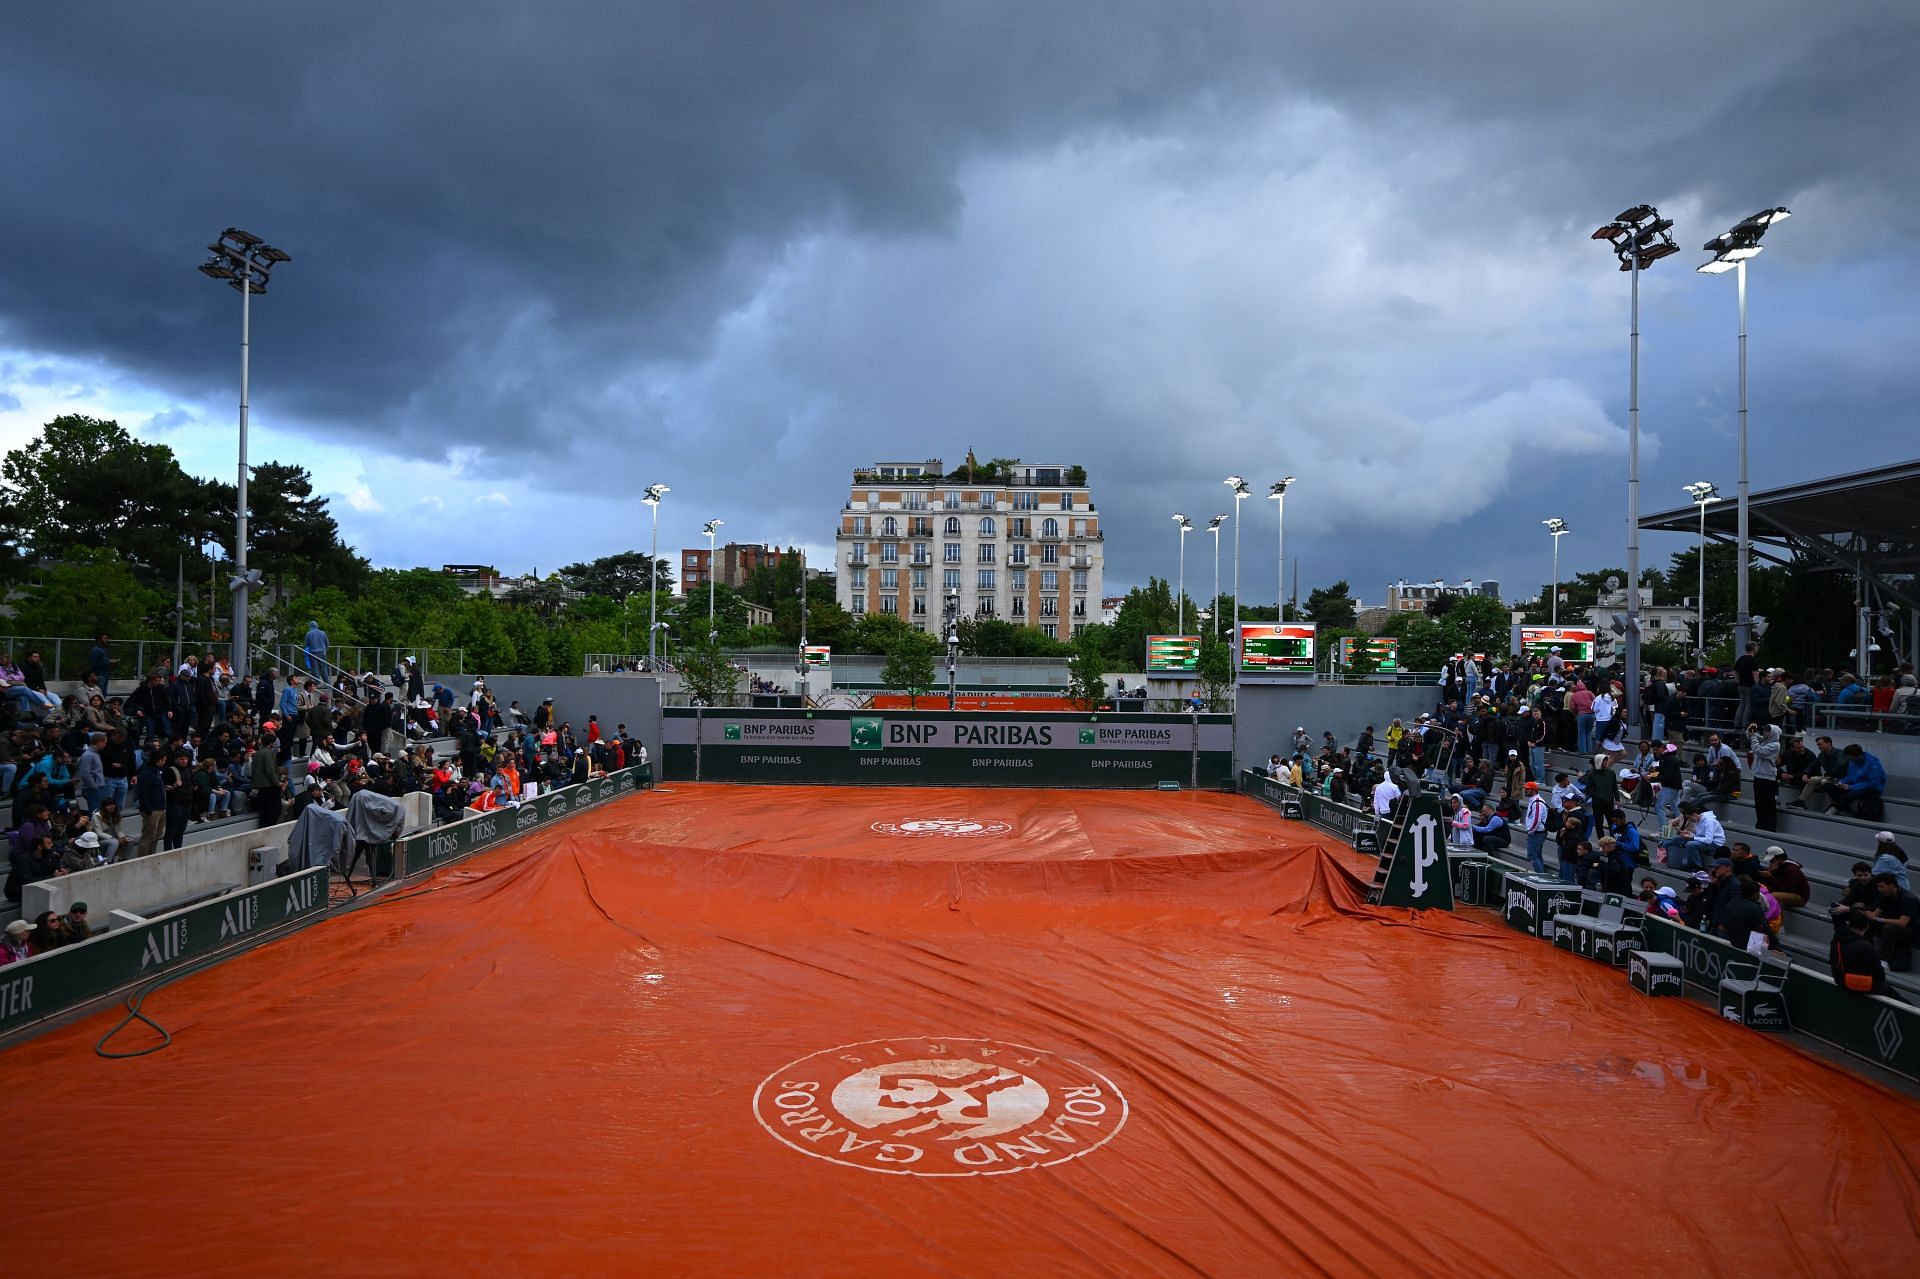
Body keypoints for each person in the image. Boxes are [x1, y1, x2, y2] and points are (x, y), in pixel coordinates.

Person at [1864, 872, 1919, 971]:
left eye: (1881, 886)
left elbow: (1903, 922)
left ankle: (1883, 960)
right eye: (1878, 886)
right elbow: (1875, 914)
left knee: (1888, 928)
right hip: (1892, 923)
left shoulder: (1908, 899)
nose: (1879, 889)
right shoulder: (1884, 895)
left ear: (1892, 885)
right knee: (1867, 922)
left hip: (1911, 930)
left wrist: (1880, 919)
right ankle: (1866, 952)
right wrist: (1864, 914)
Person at [1823, 744, 1887, 818]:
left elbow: (1873, 784)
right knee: (1827, 786)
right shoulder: (1852, 762)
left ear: (1858, 755)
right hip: (1854, 786)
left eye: (1851, 758)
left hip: (1871, 789)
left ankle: (1836, 807)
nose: (1850, 760)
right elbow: (1849, 776)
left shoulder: (1872, 763)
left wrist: (1851, 787)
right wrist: (1842, 782)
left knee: (1850, 794)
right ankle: (1846, 810)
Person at [1831, 910, 1888, 994]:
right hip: (1864, 987)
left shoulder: (1837, 940)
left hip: (1841, 981)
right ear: (1867, 927)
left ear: (1849, 924)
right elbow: (1879, 975)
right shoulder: (1865, 946)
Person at [1747, 723, 1781, 832]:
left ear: (1772, 733)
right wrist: (1751, 730)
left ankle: (1769, 827)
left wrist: (1753, 737)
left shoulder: (1775, 744)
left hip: (1767, 779)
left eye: (1767, 731)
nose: (1764, 732)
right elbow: (1750, 736)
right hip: (1759, 776)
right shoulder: (1765, 741)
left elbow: (1759, 751)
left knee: (1768, 805)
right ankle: (1761, 824)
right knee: (1759, 804)